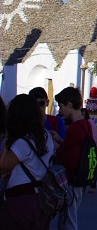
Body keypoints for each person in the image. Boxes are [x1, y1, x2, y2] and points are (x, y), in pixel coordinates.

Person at [0, 94, 54, 229]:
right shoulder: (46, 136)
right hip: (42, 199)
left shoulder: (22, 143)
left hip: (21, 200)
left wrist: (8, 140)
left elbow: (3, 166)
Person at [55, 87, 91, 230]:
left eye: (61, 106)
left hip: (71, 181)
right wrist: (60, 140)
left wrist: (58, 152)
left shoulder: (75, 128)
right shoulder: (85, 124)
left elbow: (70, 159)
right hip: (78, 182)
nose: (60, 109)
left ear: (69, 104)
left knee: (68, 223)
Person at [80, 108, 97, 194]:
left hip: (93, 146)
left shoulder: (89, 122)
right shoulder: (82, 123)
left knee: (92, 166)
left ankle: (92, 186)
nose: (82, 116)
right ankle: (83, 185)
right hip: (87, 146)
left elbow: (93, 136)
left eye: (84, 114)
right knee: (84, 166)